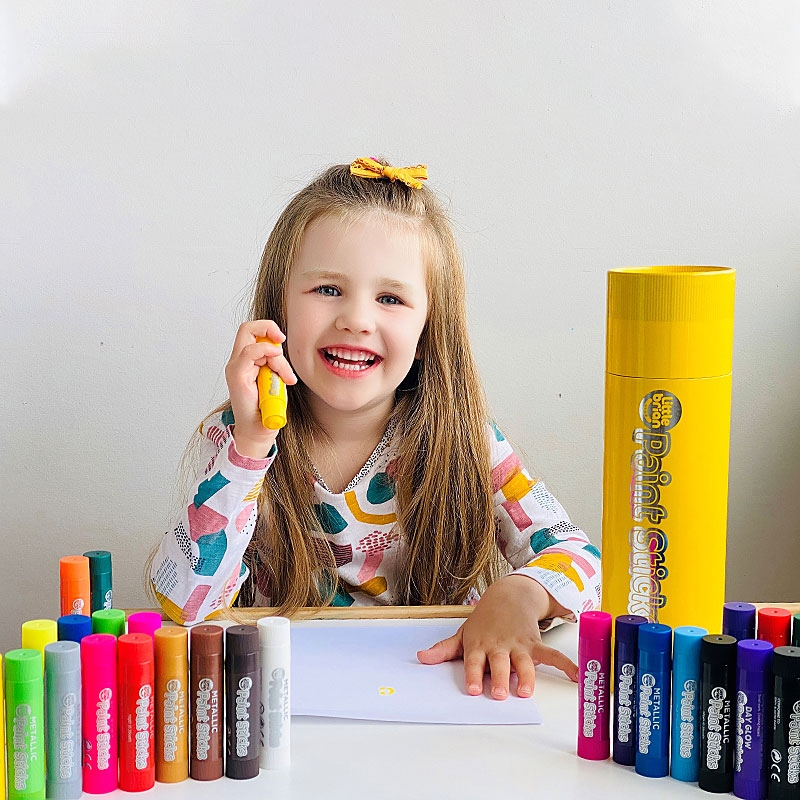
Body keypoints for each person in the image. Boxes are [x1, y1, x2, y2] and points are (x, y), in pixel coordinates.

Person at [150, 157, 601, 699]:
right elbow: (184, 603)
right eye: (327, 290)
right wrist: (249, 447)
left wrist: (521, 594)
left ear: (430, 324)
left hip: (430, 699)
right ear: (279, 308)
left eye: (390, 298)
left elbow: (580, 561)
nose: (357, 319)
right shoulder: (237, 439)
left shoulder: (466, 441)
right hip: (281, 706)